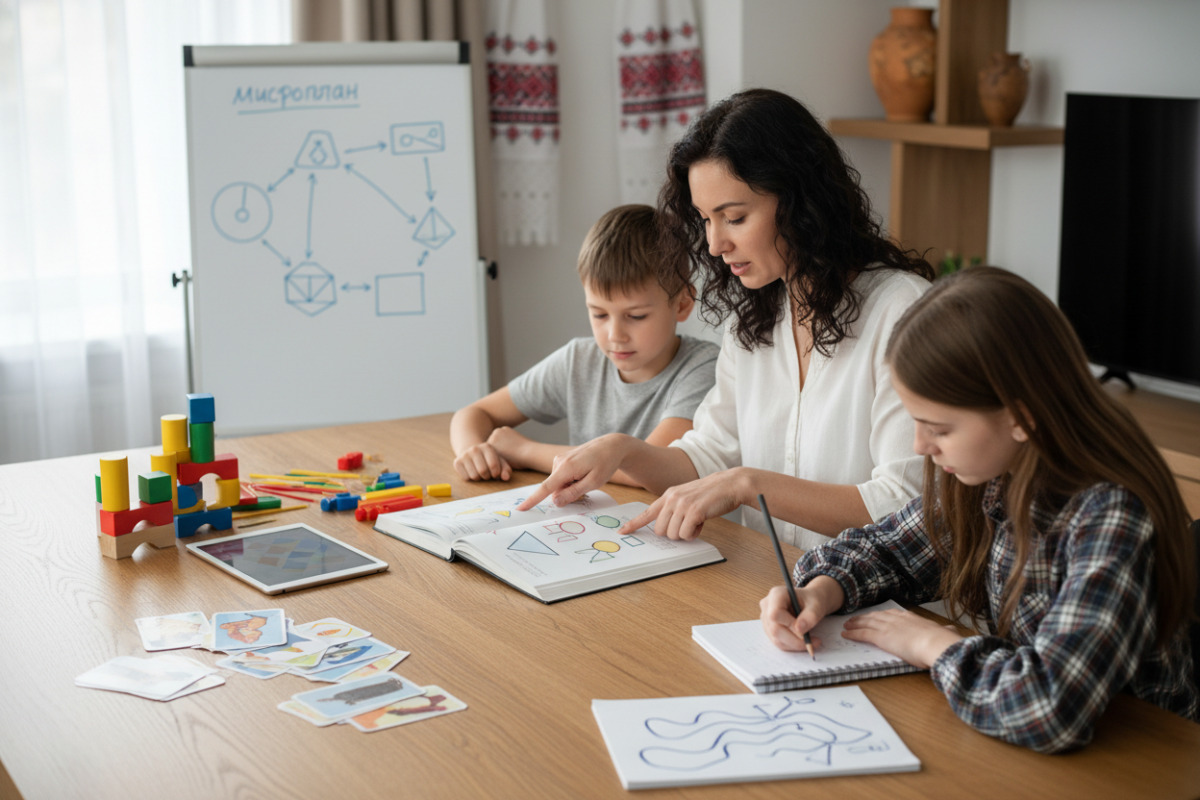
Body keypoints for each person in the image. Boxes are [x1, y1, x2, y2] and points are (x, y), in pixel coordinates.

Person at [760, 266, 1198, 753]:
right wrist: (822, 590)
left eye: (939, 429)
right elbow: (889, 551)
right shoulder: (990, 475)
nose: (921, 445)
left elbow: (1052, 705)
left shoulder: (1111, 514)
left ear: (1020, 417)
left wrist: (931, 645)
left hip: (1140, 759)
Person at [519, 88, 934, 549]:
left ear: (801, 201)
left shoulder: (902, 312)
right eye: (705, 220)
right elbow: (707, 457)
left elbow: (905, 504)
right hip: (767, 587)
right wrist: (623, 448)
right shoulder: (754, 321)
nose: (715, 245)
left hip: (877, 604)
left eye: (734, 218)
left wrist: (748, 486)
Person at [450, 204, 719, 483]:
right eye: (599, 314)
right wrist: (471, 450)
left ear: (683, 304)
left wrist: (525, 450)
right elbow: (473, 413)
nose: (615, 335)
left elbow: (649, 469)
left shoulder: (704, 367)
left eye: (636, 316)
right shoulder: (579, 360)